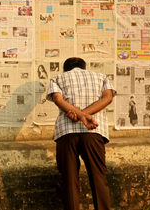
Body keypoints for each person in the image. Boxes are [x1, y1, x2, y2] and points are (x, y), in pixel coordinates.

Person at [46, 57, 116, 210]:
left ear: (65, 69)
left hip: (67, 132)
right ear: (84, 67)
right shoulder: (101, 77)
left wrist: (79, 114)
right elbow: (108, 97)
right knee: (98, 177)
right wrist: (85, 115)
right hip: (94, 132)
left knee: (70, 180)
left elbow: (58, 99)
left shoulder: (58, 78)